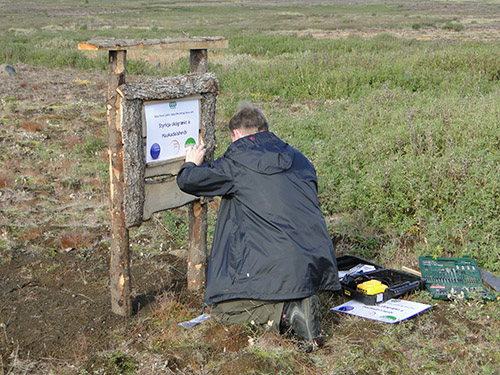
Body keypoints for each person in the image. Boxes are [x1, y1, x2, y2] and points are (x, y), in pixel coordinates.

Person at [176, 102, 340, 347]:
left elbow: (188, 181)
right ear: (265, 130)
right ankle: (297, 298)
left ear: (236, 135)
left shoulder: (237, 162)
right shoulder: (299, 158)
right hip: (315, 263)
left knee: (223, 311)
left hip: (275, 263)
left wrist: (191, 161)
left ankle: (287, 312)